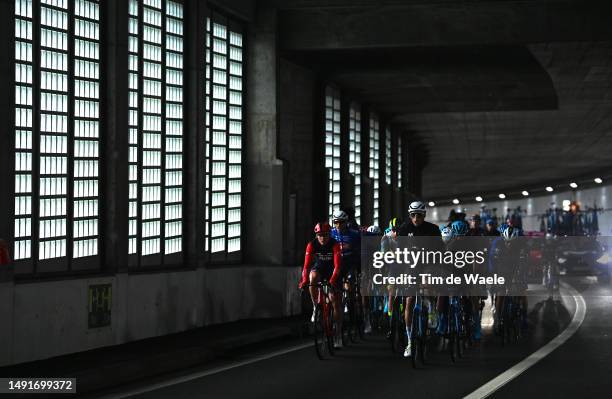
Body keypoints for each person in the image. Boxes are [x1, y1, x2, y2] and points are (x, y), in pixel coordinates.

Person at [397, 201, 443, 357]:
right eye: (412, 215)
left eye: (419, 215)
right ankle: (410, 340)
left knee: (428, 283)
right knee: (409, 300)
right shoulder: (404, 229)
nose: (416, 218)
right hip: (411, 266)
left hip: (429, 265)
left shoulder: (433, 230)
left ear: (424, 215)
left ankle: (431, 311)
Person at [299, 222, 344, 348]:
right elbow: (306, 266)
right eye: (320, 235)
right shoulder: (311, 245)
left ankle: (338, 334)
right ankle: (315, 306)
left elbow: (338, 266)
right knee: (312, 277)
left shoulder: (335, 244)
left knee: (334, 300)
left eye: (325, 235)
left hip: (333, 271)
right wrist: (303, 281)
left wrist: (332, 281)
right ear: (316, 235)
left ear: (329, 234)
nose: (322, 238)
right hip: (319, 269)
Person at [489, 224, 528, 333]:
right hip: (503, 271)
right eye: (507, 242)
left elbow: (525, 263)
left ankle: (524, 317)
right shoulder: (498, 245)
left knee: (522, 293)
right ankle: (497, 318)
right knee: (501, 293)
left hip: (516, 271)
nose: (509, 244)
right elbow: (492, 261)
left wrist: (523, 274)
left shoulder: (521, 246)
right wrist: (493, 273)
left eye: (511, 242)